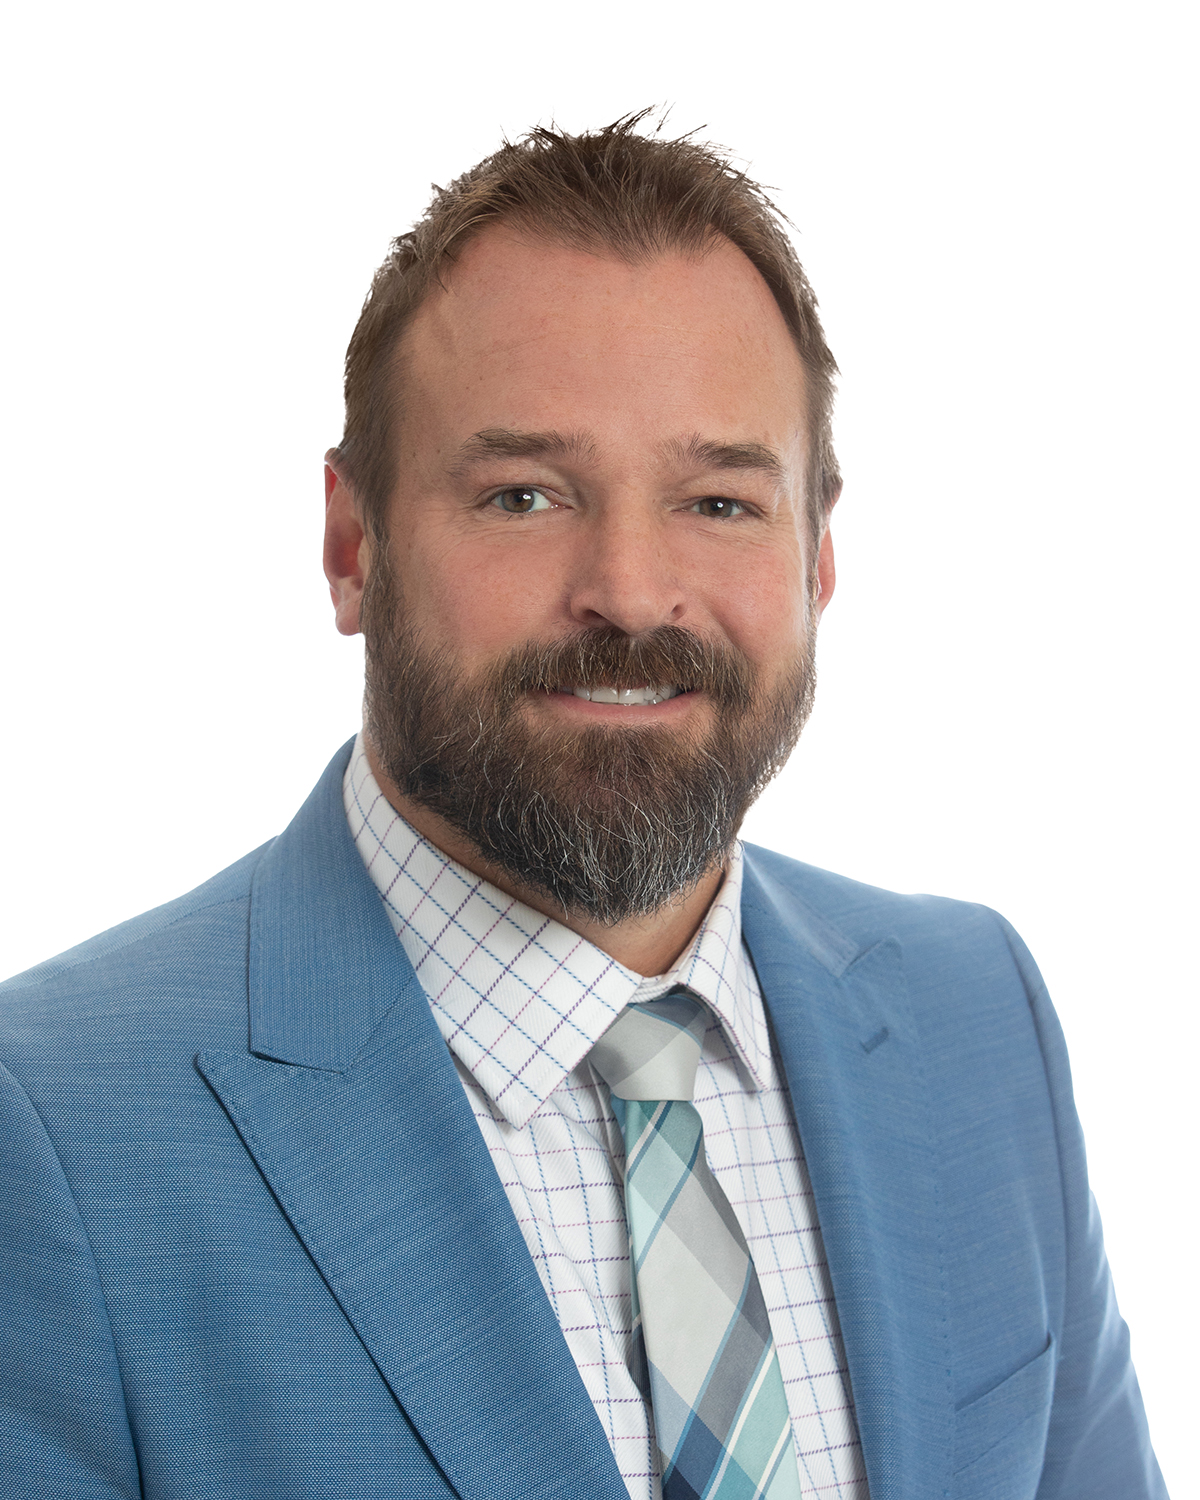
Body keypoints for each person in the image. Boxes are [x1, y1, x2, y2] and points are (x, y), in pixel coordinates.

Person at [0, 115, 1166, 1500]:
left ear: (819, 555)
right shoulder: (51, 1130)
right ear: (352, 545)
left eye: (718, 503)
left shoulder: (979, 1016)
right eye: (525, 495)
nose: (628, 590)